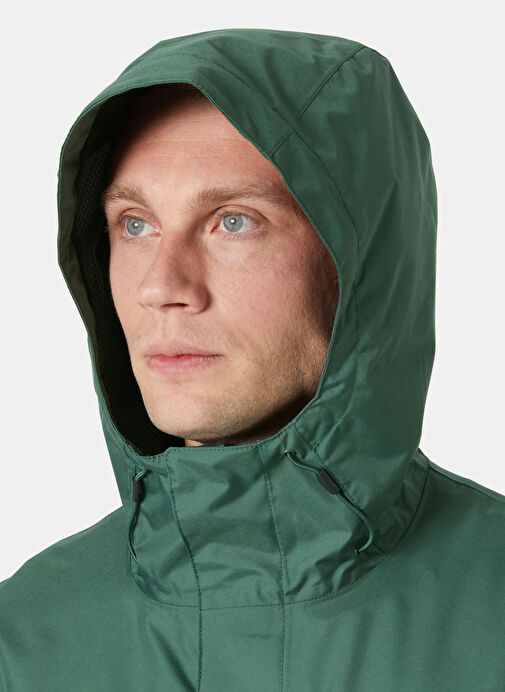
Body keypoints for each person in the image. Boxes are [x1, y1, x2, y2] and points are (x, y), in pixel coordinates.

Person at [1, 27, 504, 691]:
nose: (160, 287)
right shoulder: (25, 640)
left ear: (362, 265)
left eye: (233, 221)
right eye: (135, 224)